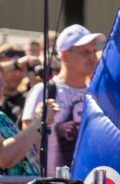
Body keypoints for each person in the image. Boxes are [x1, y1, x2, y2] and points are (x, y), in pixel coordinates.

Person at [22, 24, 103, 174]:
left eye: (94, 51)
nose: (92, 58)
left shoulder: (97, 93)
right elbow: (27, 142)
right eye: (85, 52)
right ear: (65, 55)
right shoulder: (44, 90)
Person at [0, 44, 38, 126]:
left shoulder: (27, 98)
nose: (17, 74)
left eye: (21, 69)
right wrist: (16, 63)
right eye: (12, 69)